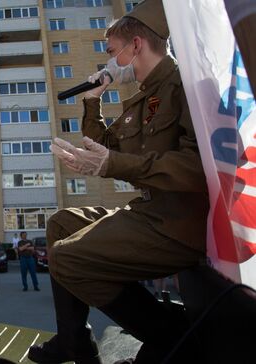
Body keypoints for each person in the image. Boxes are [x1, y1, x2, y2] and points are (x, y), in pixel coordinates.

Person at [28, 0, 208, 363]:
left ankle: (170, 334)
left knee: (65, 259)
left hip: (178, 224)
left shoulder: (186, 85)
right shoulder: (145, 98)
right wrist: (93, 100)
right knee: (61, 223)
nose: (109, 61)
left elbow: (197, 166)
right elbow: (107, 147)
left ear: (136, 45)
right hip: (150, 213)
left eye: (111, 52)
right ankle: (72, 341)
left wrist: (112, 163)